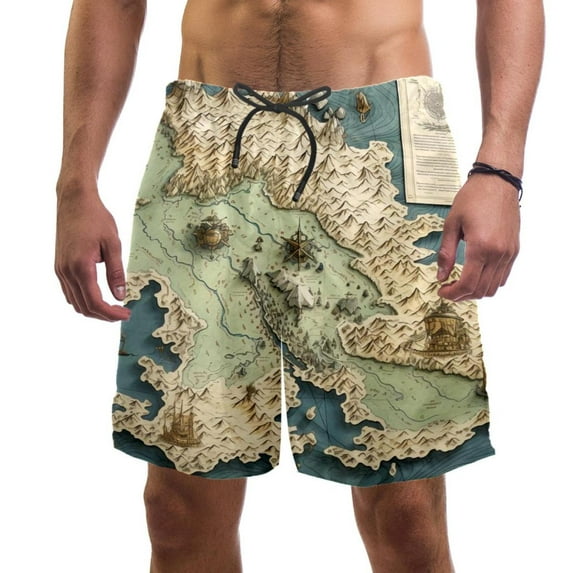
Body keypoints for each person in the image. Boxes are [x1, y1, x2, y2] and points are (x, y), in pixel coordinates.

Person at [54, 1, 544, 571]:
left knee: (406, 510)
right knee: (178, 509)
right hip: (204, 138)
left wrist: (500, 170)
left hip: (379, 137)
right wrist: (75, 185)